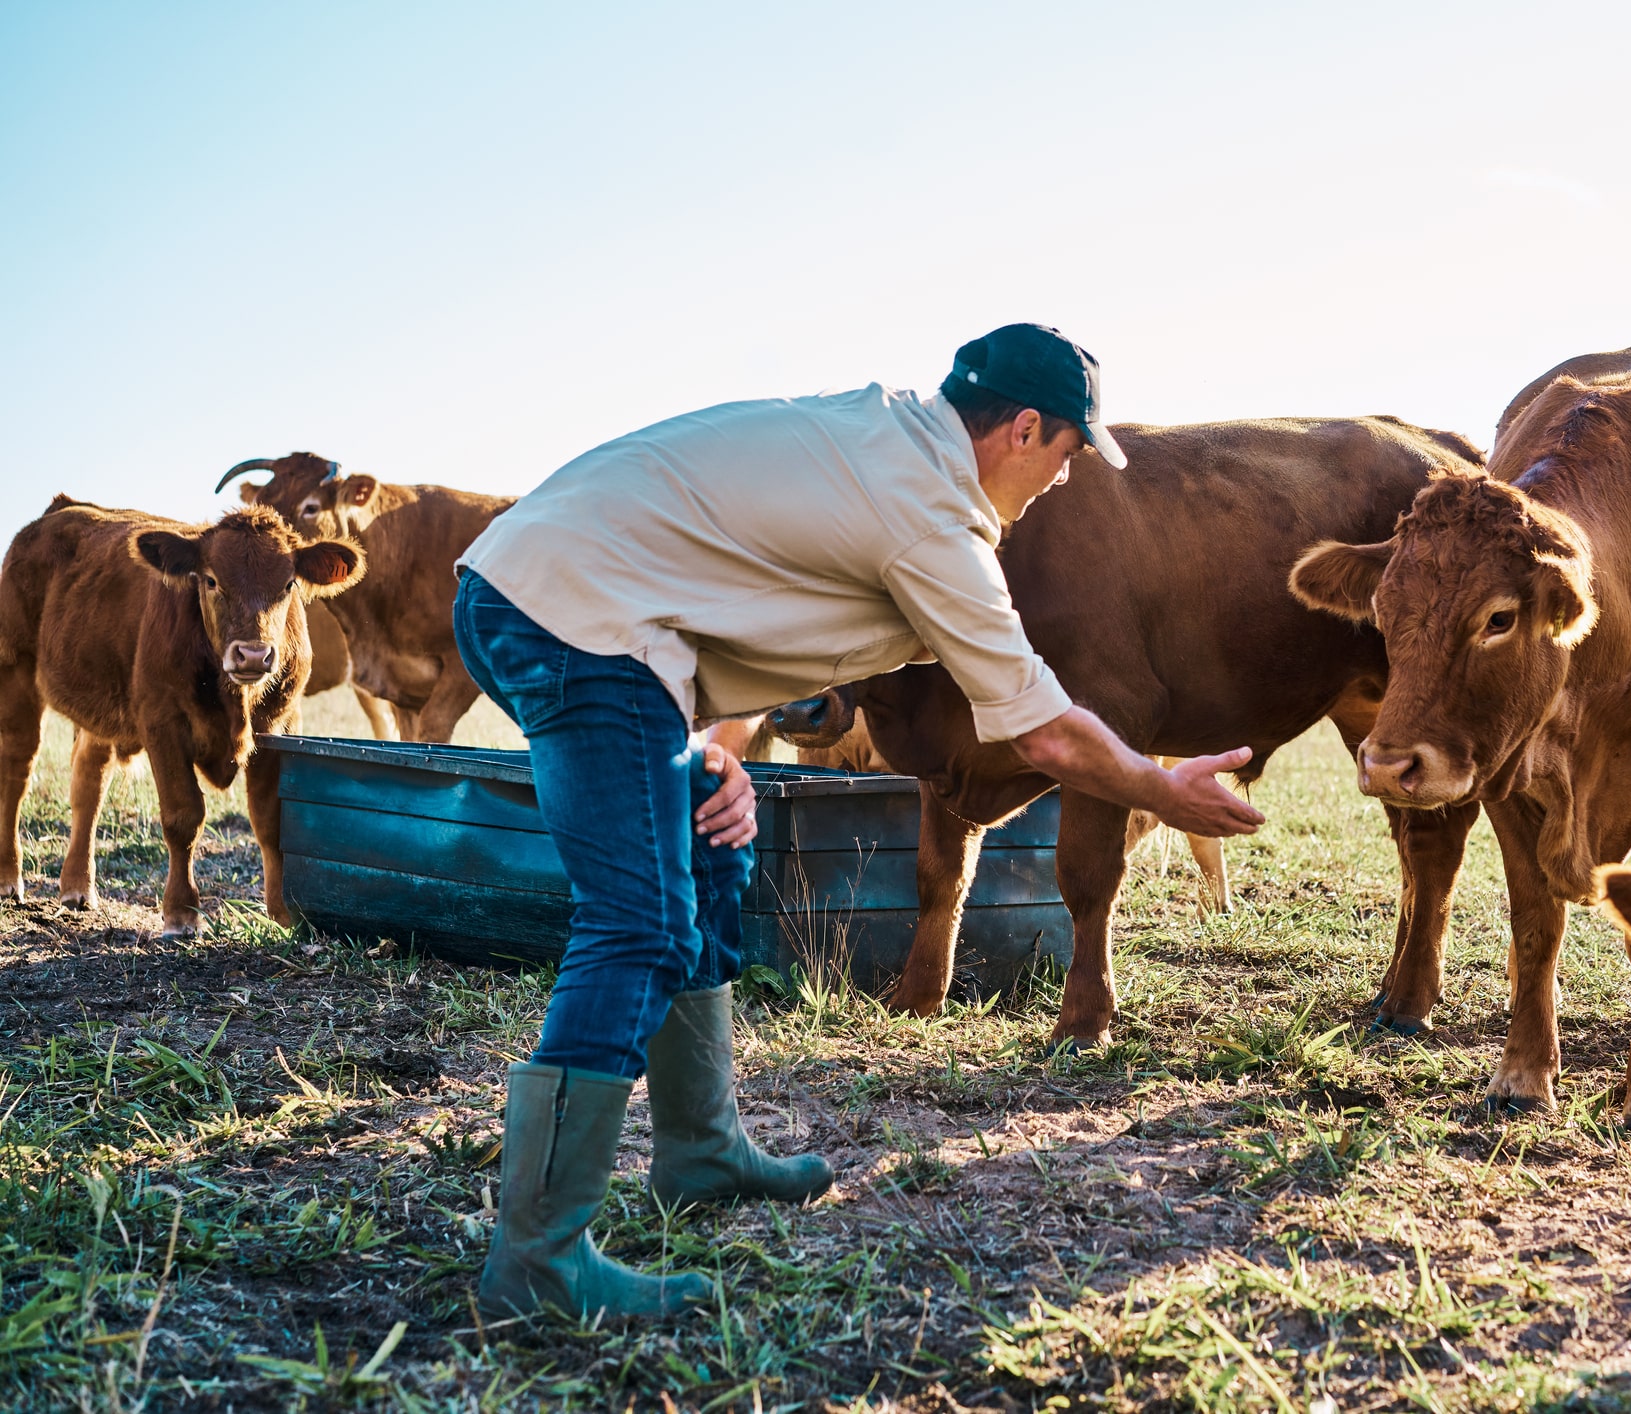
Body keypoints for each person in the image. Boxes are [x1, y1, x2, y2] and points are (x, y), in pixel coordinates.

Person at [452, 323, 1264, 1321]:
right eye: (1065, 452)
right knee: (636, 922)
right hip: (571, 619)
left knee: (710, 847)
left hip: (592, 613)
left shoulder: (885, 439)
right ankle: (533, 1258)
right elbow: (1048, 735)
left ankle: (698, 1152)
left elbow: (737, 569)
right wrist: (1158, 785)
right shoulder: (929, 514)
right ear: (1021, 428)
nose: (1062, 479)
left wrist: (710, 739)